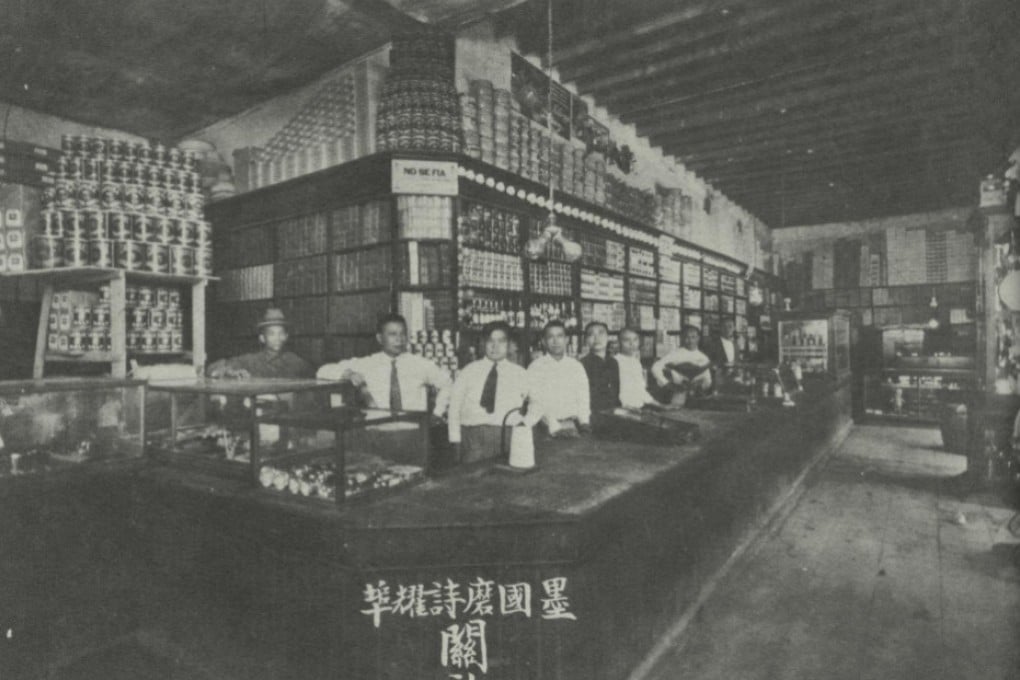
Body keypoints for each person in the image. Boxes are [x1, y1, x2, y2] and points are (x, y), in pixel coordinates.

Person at [317, 314, 451, 417]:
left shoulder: (420, 364)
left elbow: (447, 384)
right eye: (392, 334)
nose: (399, 339)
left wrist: (437, 413)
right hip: (378, 430)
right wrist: (349, 374)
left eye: (403, 334)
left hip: (414, 432)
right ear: (380, 338)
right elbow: (323, 371)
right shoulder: (368, 363)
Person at [448, 321, 540, 463]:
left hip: (508, 437)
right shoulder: (468, 371)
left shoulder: (520, 373)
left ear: (508, 344)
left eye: (501, 341)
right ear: (483, 342)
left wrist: (526, 423)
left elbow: (538, 402)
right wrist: (455, 440)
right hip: (474, 440)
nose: (495, 346)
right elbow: (454, 408)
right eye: (490, 340)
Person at [206, 308, 313, 379]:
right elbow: (211, 369)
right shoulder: (250, 361)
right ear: (262, 338)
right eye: (271, 334)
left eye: (281, 333)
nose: (277, 338)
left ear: (286, 337)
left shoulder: (297, 363)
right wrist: (229, 372)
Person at [527, 320, 591, 437]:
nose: (556, 341)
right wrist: (555, 427)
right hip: (544, 427)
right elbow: (537, 402)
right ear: (544, 341)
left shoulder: (576, 366)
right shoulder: (535, 367)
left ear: (566, 340)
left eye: (560, 336)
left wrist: (584, 424)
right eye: (550, 337)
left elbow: (583, 399)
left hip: (571, 425)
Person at [651, 325, 712, 405]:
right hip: (677, 393)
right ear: (683, 338)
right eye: (687, 337)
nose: (690, 341)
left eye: (693, 337)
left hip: (696, 396)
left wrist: (701, 386)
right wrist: (667, 384)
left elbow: (708, 379)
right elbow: (655, 367)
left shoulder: (704, 357)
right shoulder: (675, 354)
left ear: (698, 338)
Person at [579, 321, 621, 415]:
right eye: (591, 334)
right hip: (593, 416)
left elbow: (616, 394)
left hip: (614, 415)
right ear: (586, 340)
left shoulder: (613, 363)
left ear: (608, 337)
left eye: (601, 333)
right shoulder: (581, 365)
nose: (596, 338)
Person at [617, 327, 660, 410]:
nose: (631, 343)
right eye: (626, 340)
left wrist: (660, 405)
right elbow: (618, 392)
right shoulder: (615, 362)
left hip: (638, 408)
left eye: (635, 340)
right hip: (623, 409)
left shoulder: (636, 362)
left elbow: (640, 390)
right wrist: (626, 406)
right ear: (619, 342)